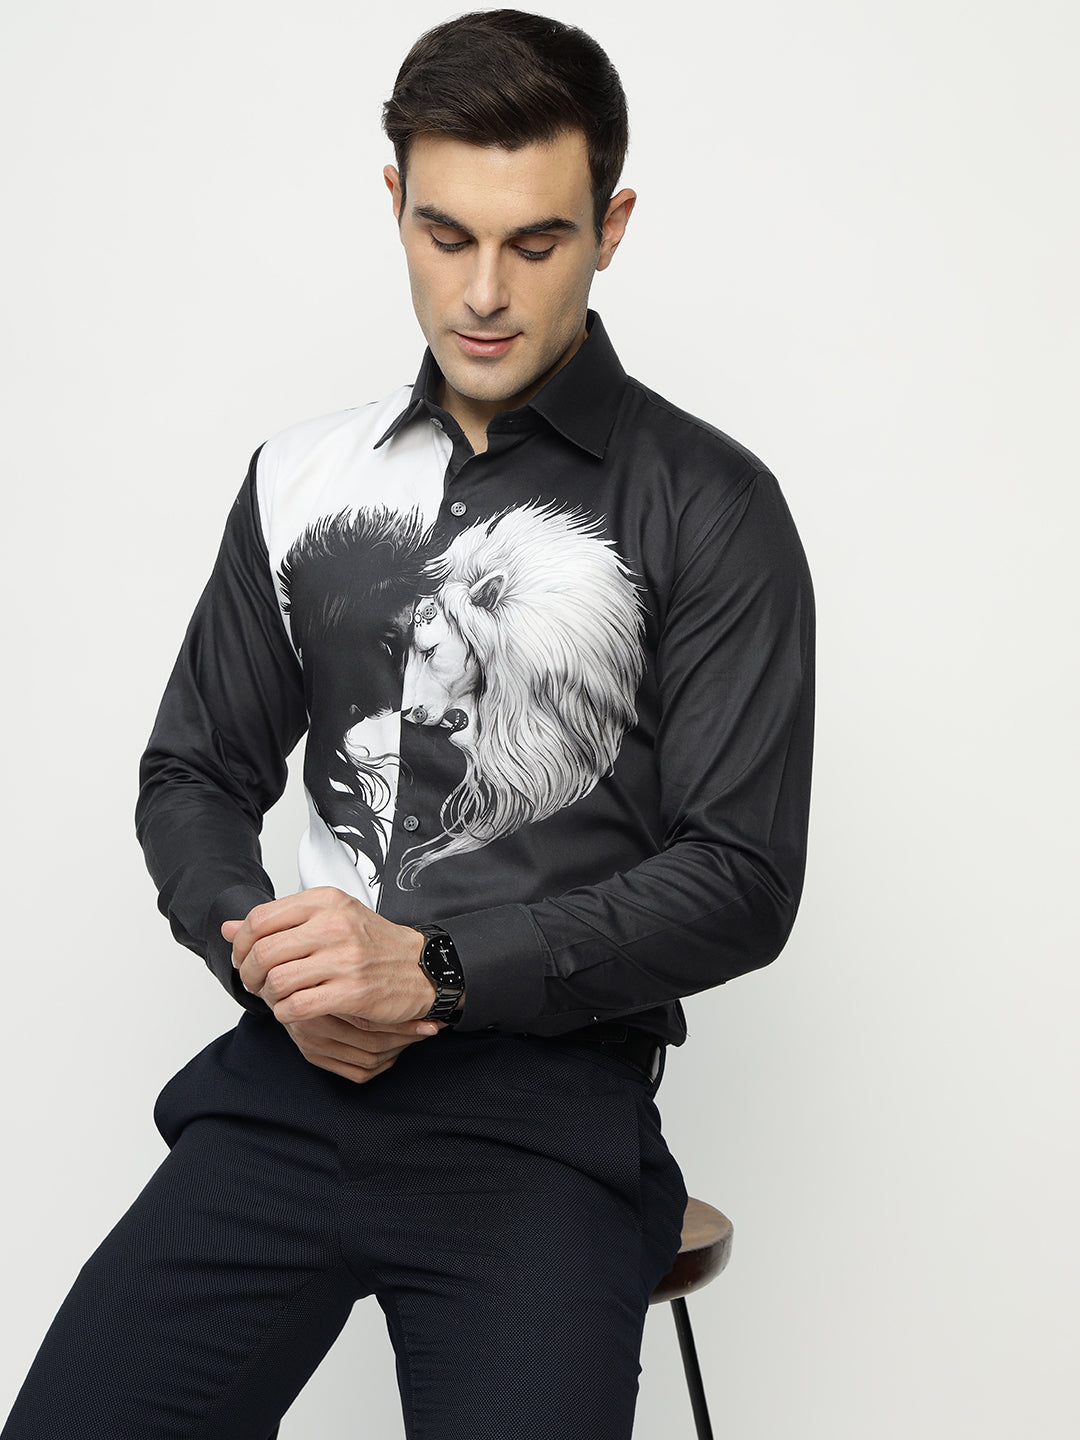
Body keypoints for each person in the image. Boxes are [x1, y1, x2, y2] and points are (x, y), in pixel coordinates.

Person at [1, 10, 814, 1439]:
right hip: (288, 1082)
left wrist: (435, 974)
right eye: (446, 235)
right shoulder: (302, 476)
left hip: (543, 1107)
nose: (483, 292)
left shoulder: (713, 505)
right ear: (396, 204)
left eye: (536, 243)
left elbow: (742, 875)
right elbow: (193, 772)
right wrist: (269, 957)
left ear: (612, 228)